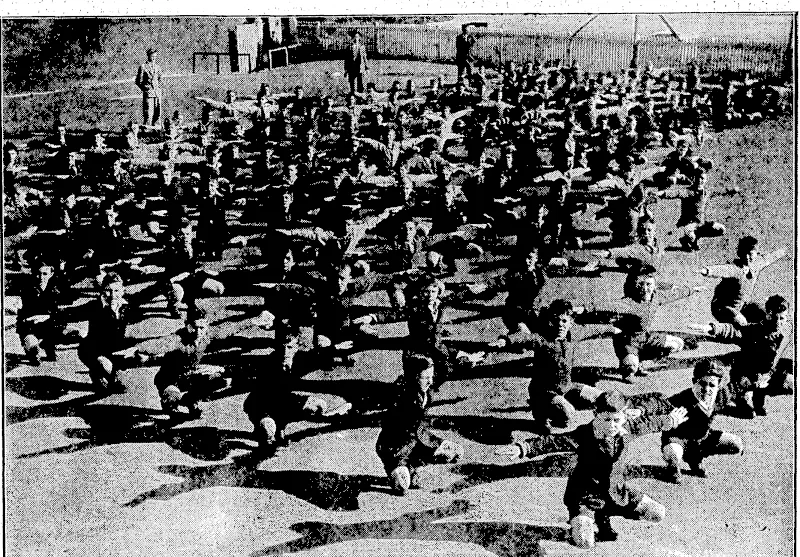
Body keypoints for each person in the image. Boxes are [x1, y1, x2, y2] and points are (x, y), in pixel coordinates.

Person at [496, 390, 688, 548]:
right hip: (586, 496)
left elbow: (650, 424)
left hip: (617, 492)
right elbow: (553, 442)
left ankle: (604, 518)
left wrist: (670, 421)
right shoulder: (584, 435)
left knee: (657, 513)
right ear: (596, 414)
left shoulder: (627, 427)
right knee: (585, 542)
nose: (612, 425)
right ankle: (582, 522)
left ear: (624, 417)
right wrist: (524, 448)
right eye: (606, 420)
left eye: (616, 420)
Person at [486, 299, 619, 431]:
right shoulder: (542, 339)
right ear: (550, 322)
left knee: (603, 398)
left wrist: (612, 329)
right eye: (556, 321)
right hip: (544, 392)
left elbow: (592, 329)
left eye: (564, 321)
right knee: (567, 418)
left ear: (571, 323)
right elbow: (524, 338)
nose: (560, 325)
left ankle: (559, 409)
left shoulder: (573, 334)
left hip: (567, 387)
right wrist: (505, 340)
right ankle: (542, 414)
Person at [689, 294, 792, 418]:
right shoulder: (755, 331)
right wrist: (712, 328)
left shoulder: (786, 329)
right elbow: (733, 332)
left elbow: (777, 355)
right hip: (746, 374)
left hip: (767, 370)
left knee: (791, 380)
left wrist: (768, 375)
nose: (780, 323)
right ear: (768, 314)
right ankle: (720, 405)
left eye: (783, 318)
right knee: (748, 414)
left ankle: (760, 396)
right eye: (777, 318)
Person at [375, 355, 464, 495]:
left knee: (453, 452)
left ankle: (413, 468)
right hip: (396, 446)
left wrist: (462, 359)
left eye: (431, 376)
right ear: (415, 377)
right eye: (425, 377)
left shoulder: (424, 390)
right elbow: (416, 430)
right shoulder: (406, 397)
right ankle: (401, 470)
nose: (430, 380)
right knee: (402, 484)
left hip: (414, 440)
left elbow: (444, 372)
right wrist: (439, 443)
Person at [661, 358, 744, 484]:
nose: (707, 389)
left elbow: (740, 385)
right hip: (678, 439)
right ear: (694, 382)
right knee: (673, 451)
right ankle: (673, 467)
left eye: (712, 385)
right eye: (702, 383)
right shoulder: (681, 399)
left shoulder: (721, 396)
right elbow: (659, 405)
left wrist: (759, 384)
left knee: (736, 444)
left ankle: (695, 459)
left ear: (719, 385)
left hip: (702, 438)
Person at [697, 235, 786, 327]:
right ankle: (729, 333)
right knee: (743, 323)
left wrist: (783, 251)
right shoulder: (736, 269)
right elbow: (723, 269)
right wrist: (707, 271)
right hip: (723, 308)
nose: (747, 257)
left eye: (750, 254)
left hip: (742, 306)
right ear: (740, 253)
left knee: (766, 315)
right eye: (744, 253)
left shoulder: (758, 263)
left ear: (756, 253)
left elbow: (769, 257)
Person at [135, 47, 163, 127]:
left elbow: (160, 79)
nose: (154, 58)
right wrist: (145, 89)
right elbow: (138, 81)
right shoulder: (143, 67)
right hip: (148, 93)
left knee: (158, 112)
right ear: (148, 56)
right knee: (148, 113)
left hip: (157, 93)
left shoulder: (158, 67)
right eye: (152, 56)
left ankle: (156, 129)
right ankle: (146, 130)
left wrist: (158, 87)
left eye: (155, 56)